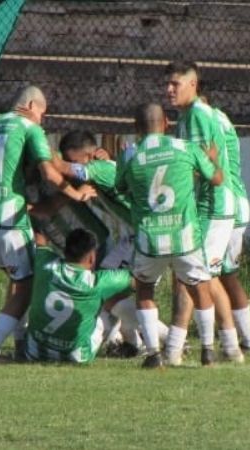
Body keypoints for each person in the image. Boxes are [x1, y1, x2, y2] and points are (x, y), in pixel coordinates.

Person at [0, 85, 96, 362]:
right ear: (31, 106)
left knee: (18, 279)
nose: (42, 119)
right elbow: (49, 173)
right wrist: (76, 194)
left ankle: (21, 345)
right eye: (42, 113)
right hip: (7, 218)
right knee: (26, 287)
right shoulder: (30, 128)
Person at [116, 102, 222, 368]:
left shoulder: (130, 155)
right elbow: (216, 179)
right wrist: (212, 158)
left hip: (149, 240)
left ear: (136, 128)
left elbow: (120, 187)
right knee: (200, 288)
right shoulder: (186, 148)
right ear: (166, 123)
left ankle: (153, 353)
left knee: (144, 290)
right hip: (185, 237)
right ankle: (208, 350)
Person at [56, 130, 169, 356]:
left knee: (110, 295)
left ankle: (170, 339)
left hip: (145, 237)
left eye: (74, 161)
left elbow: (61, 167)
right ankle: (131, 343)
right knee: (107, 287)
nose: (72, 168)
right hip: (133, 237)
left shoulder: (101, 169)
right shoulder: (100, 169)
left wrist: (38, 145)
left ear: (88, 156)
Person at [164, 61, 243, 364]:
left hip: (214, 206)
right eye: (168, 84)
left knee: (190, 274)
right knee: (206, 277)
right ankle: (231, 347)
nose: (169, 90)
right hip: (207, 206)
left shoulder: (197, 115)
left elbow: (202, 168)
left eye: (175, 84)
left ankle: (173, 349)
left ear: (193, 84)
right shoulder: (188, 116)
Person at [25, 228, 134, 363]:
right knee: (105, 311)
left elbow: (39, 240)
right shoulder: (98, 282)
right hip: (78, 358)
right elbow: (138, 281)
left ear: (65, 251)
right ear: (92, 257)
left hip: (34, 353)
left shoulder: (45, 263)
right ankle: (117, 341)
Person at [207, 99, 250, 354]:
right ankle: (247, 340)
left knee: (207, 274)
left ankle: (228, 338)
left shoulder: (206, 120)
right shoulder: (221, 118)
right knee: (226, 275)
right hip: (235, 203)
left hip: (225, 207)